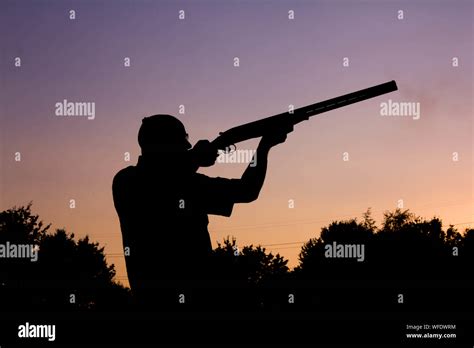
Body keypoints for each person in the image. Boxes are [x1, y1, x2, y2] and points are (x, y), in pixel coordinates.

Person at [112, 114, 292, 305]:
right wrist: (264, 147)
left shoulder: (130, 181)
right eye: (183, 140)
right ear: (165, 144)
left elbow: (247, 190)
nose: (188, 146)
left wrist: (264, 146)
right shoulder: (130, 181)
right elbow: (247, 190)